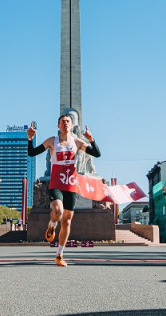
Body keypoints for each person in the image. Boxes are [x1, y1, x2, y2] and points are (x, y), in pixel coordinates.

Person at [27, 114, 101, 267]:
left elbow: (96, 154)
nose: (65, 124)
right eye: (62, 122)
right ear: (58, 125)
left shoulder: (77, 142)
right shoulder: (51, 141)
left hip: (71, 183)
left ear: (72, 124)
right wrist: (30, 138)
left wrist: (91, 139)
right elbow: (32, 153)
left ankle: (59, 254)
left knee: (67, 221)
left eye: (68, 121)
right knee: (57, 210)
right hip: (56, 181)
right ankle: (52, 225)